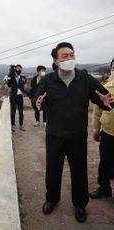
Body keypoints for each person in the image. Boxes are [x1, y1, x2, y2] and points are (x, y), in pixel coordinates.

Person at [33, 42, 114, 223]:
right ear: (55, 60)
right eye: (65, 56)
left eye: (72, 55)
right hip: (54, 135)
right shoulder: (48, 80)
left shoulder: (84, 78)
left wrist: (105, 100)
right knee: (53, 170)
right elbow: (36, 96)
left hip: (77, 135)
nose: (70, 59)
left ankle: (80, 205)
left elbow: (102, 96)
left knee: (79, 172)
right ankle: (52, 198)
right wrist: (37, 103)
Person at [89, 58, 114, 199]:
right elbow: (97, 110)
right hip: (108, 132)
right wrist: (95, 130)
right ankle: (104, 188)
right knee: (104, 161)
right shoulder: (105, 87)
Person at [6, 64, 28, 131]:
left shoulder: (23, 77)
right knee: (13, 112)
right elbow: (9, 85)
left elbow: (25, 86)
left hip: (20, 97)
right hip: (13, 97)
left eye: (20, 69)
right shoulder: (10, 77)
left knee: (21, 112)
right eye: (18, 68)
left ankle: (21, 125)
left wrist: (28, 93)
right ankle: (13, 125)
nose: (19, 70)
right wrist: (10, 73)